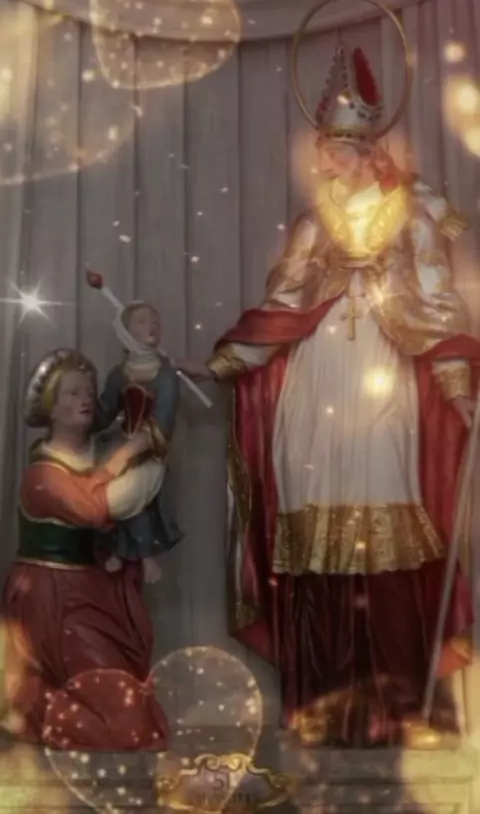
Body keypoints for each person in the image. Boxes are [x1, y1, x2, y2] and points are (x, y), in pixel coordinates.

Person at [181, 44, 480, 747]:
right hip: (315, 382)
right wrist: (224, 363)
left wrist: (456, 384)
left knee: (388, 515)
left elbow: (437, 302)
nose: (325, 160)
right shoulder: (314, 224)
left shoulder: (411, 215)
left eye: (336, 148)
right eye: (323, 149)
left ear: (365, 149)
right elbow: (283, 304)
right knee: (314, 521)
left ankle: (398, 706)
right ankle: (323, 702)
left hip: (383, 374)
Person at [2, 348, 170, 750]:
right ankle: (25, 702)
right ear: (51, 406)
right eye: (72, 392)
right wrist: (132, 456)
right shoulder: (42, 475)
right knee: (126, 728)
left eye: (90, 392)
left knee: (137, 717)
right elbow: (95, 509)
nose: (85, 400)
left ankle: (29, 698)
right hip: (51, 602)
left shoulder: (99, 452)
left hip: (92, 593)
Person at [94, 300, 182, 586]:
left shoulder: (165, 375)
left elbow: (163, 419)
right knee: (100, 492)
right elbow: (106, 411)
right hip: (120, 440)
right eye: (142, 322)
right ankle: (117, 549)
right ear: (126, 331)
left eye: (156, 322)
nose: (152, 327)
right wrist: (85, 411)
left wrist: (134, 448)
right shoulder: (120, 373)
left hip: (149, 446)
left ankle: (145, 556)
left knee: (132, 494)